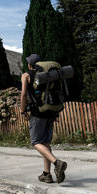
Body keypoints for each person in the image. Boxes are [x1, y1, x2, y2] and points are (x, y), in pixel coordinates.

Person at [20, 54, 67, 183]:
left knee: (36, 142)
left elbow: (23, 94)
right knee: (45, 143)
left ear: (30, 64)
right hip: (51, 112)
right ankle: (46, 175)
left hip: (38, 113)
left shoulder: (26, 75)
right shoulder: (48, 75)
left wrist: (22, 111)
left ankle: (57, 163)